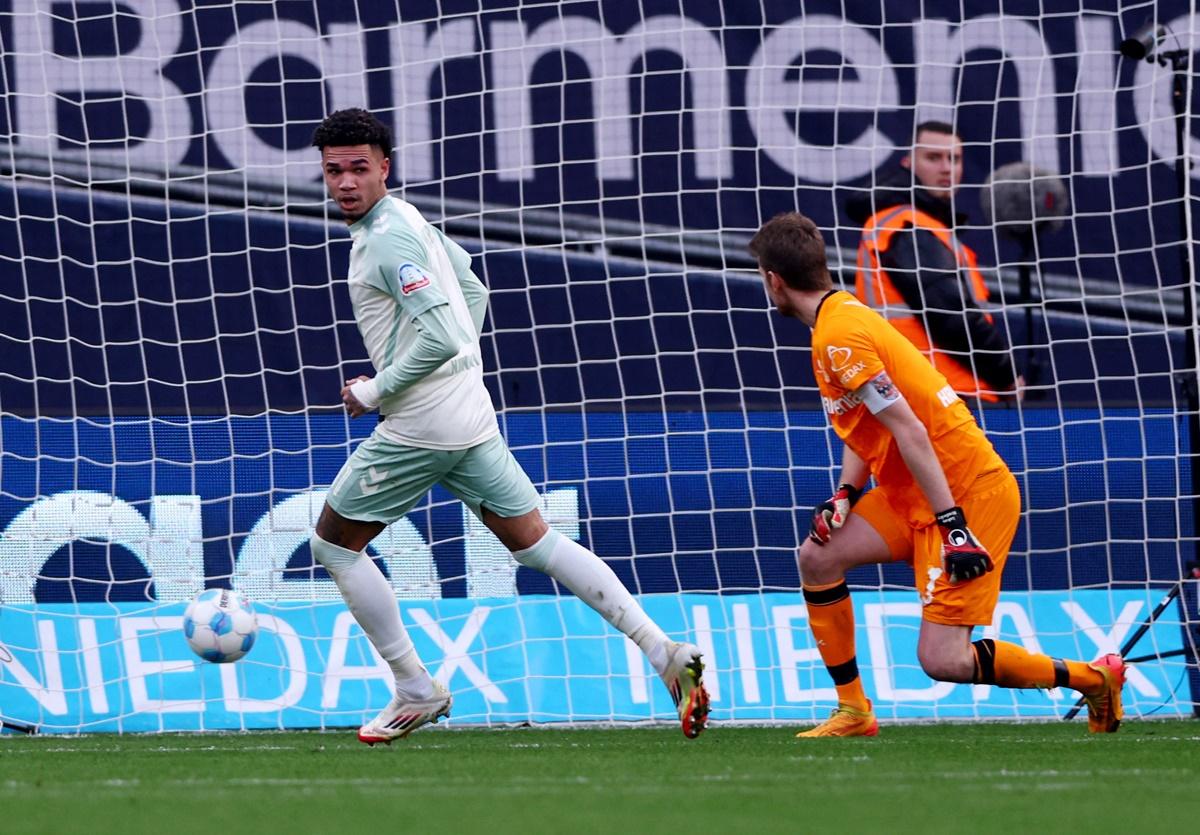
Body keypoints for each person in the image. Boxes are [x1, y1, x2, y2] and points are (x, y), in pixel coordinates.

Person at [308, 108, 709, 743]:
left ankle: (415, 686)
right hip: (469, 413)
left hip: (421, 424)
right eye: (335, 171)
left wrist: (374, 388)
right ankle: (663, 651)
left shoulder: (385, 240)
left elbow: (439, 332)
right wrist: (459, 369)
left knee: (333, 544)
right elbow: (473, 292)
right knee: (537, 543)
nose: (346, 182)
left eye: (360, 168)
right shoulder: (411, 219)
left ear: (384, 167)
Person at [748, 211, 1125, 737]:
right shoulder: (840, 319)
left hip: (968, 496)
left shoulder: (839, 337)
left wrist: (953, 526)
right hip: (913, 496)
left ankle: (1092, 679)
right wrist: (845, 494)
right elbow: (866, 427)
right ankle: (854, 710)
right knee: (818, 555)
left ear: (774, 280)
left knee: (943, 660)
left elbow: (911, 432)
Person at [847, 121, 1022, 403]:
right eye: (933, 157)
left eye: (954, 159)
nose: (946, 168)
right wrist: (1006, 374)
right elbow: (950, 315)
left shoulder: (918, 222)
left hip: (929, 391)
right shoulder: (905, 224)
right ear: (908, 163)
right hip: (941, 393)